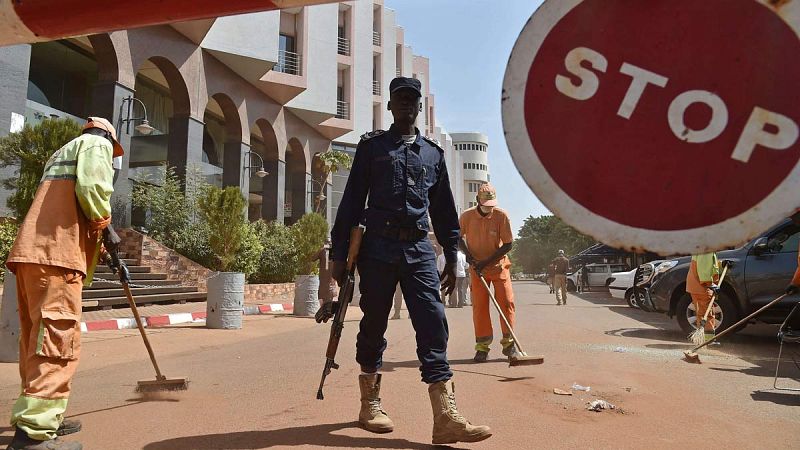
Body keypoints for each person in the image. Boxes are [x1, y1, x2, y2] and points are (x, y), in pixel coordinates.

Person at [319, 77, 491, 445]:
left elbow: (444, 211)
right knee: (373, 323)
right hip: (377, 249)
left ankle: (445, 417)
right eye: (400, 99)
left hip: (418, 249)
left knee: (433, 322)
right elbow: (351, 203)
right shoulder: (372, 148)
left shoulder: (433, 154)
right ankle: (370, 404)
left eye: (412, 100)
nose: (406, 105)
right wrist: (338, 256)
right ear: (390, 106)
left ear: (419, 108)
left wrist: (452, 256)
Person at [5, 117, 124, 450]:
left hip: (33, 255)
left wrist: (105, 250)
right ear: (109, 139)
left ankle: (44, 416)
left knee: (37, 341)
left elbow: (71, 206)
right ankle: (34, 435)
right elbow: (93, 191)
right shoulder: (96, 144)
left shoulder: (63, 152)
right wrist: (107, 226)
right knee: (57, 343)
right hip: (58, 258)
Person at [459, 183, 517, 362]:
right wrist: (469, 256)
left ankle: (509, 345)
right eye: (486, 205)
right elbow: (457, 238)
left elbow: (508, 244)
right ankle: (482, 347)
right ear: (478, 200)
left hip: (498, 267)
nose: (489, 208)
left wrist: (486, 262)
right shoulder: (466, 216)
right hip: (477, 270)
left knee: (506, 303)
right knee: (480, 308)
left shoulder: (501, 216)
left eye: (491, 205)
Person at [686, 253, 720, 343]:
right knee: (707, 314)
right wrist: (710, 284)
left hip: (696, 285)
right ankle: (708, 340)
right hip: (702, 287)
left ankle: (703, 339)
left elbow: (709, 265)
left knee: (701, 313)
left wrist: (721, 264)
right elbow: (704, 270)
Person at [315, 238, 338, 309]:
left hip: (329, 279)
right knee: (323, 295)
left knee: (328, 294)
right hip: (325, 279)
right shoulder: (323, 251)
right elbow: (313, 258)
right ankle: (325, 309)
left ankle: (326, 310)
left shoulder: (332, 252)